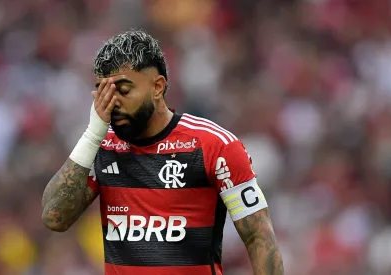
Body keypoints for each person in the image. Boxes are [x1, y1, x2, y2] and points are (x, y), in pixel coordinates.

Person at [41, 29, 284, 275]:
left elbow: (258, 236)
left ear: (157, 87)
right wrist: (93, 134)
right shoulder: (101, 146)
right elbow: (54, 218)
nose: (112, 103)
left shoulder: (215, 146)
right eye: (103, 92)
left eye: (123, 90)